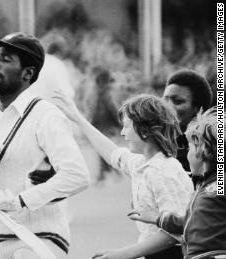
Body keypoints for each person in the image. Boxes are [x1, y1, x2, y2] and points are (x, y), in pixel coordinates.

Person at [0, 32, 90, 259]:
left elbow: (78, 175)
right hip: (1, 238)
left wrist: (18, 201)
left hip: (42, 237)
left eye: (6, 59)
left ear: (28, 73)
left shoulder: (46, 115)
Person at [52, 93, 193, 259]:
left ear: (144, 130)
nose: (122, 132)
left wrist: (123, 254)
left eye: (127, 126)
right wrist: (78, 118)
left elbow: (174, 233)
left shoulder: (163, 172)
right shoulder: (142, 164)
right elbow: (112, 153)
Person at [129, 107, 226, 259]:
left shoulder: (218, 187)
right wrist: (158, 218)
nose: (187, 154)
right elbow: (191, 220)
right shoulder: (205, 187)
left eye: (190, 148)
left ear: (203, 151)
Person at [163, 69, 213, 174]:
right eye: (165, 99)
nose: (167, 106)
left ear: (198, 108)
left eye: (177, 101)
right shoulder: (156, 140)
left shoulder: (209, 148)